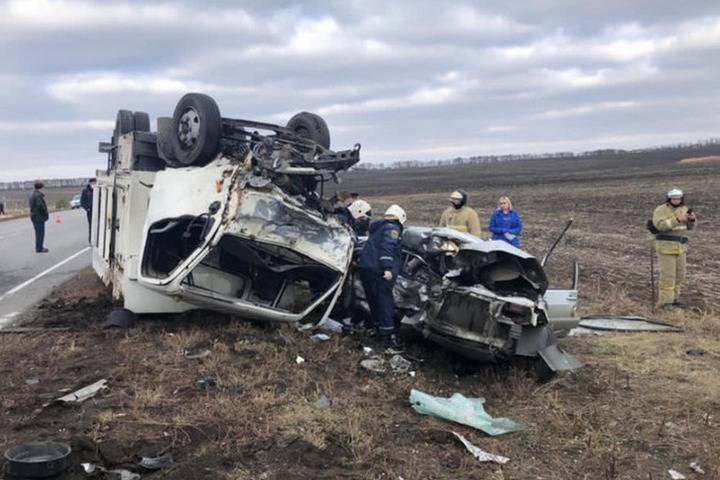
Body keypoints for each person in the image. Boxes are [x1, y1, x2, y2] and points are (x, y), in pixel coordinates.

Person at [357, 204, 406, 349]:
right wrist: (387, 268)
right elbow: (387, 247)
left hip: (367, 268)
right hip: (380, 271)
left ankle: (378, 329)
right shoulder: (392, 228)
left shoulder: (378, 227)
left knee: (374, 300)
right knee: (384, 301)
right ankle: (388, 335)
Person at [652, 188, 697, 309]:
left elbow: (690, 228)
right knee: (668, 277)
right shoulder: (660, 210)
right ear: (669, 199)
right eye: (674, 198)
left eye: (679, 198)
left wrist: (692, 220)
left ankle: (674, 299)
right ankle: (665, 303)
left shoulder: (684, 209)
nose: (676, 200)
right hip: (666, 248)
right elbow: (660, 226)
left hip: (681, 248)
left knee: (680, 276)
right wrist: (677, 220)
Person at [29, 182, 49, 253]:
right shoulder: (38, 196)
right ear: (40, 188)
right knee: (40, 233)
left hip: (34, 216)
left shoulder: (32, 194)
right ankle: (39, 248)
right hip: (38, 217)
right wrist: (45, 213)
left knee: (38, 233)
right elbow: (40, 206)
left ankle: (39, 247)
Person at [80, 178, 96, 244]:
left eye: (95, 183)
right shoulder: (85, 191)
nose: (94, 184)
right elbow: (82, 202)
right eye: (92, 183)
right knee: (91, 226)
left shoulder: (98, 190)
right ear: (90, 183)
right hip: (90, 211)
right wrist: (87, 208)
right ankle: (91, 240)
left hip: (98, 211)